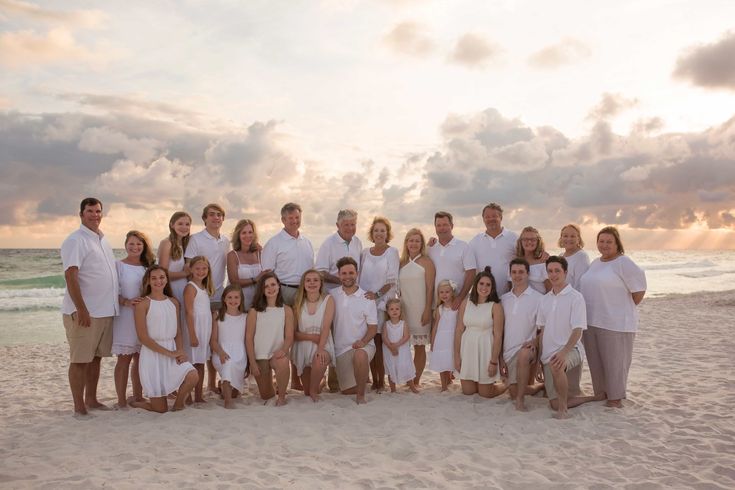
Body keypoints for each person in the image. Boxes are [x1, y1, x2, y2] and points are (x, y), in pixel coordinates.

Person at [61, 197, 120, 415]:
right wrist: (82, 309)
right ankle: (79, 406)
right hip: (85, 312)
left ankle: (92, 399)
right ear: (81, 214)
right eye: (90, 211)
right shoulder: (76, 240)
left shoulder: (102, 240)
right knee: (79, 360)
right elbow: (70, 275)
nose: (95, 215)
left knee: (95, 358)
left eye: (98, 211)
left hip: (105, 311)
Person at [579, 226, 647, 408]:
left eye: (609, 241)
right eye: (601, 241)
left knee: (615, 363)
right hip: (592, 321)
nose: (605, 245)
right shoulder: (595, 262)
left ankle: (615, 399)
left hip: (616, 323)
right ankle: (601, 393)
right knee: (596, 362)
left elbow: (639, 289)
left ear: (617, 244)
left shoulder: (623, 263)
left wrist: (620, 308)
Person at [131, 265, 198, 413]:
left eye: (161, 277)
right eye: (153, 278)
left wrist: (179, 350)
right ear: (148, 281)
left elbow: (178, 331)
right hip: (152, 355)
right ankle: (139, 403)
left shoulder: (173, 302)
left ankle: (179, 404)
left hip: (172, 350)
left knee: (193, 375)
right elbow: (143, 338)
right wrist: (170, 353)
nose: (158, 281)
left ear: (166, 280)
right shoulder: (143, 304)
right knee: (160, 409)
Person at [538, 256, 597, 418]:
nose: (553, 274)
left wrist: (564, 353)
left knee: (557, 364)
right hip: (548, 354)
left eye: (557, 271)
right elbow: (542, 332)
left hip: (572, 349)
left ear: (565, 272)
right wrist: (539, 359)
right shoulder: (544, 300)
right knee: (552, 403)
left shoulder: (575, 297)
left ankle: (563, 410)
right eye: (550, 271)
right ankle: (589, 398)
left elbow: (578, 330)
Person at [184, 203, 229, 394]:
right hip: (200, 294)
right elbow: (189, 267)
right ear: (204, 218)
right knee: (197, 342)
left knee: (213, 339)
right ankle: (194, 386)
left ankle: (211, 384)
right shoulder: (195, 239)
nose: (215, 218)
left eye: (219, 215)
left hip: (218, 294)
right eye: (211, 215)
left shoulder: (226, 240)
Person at [112, 230, 155, 409]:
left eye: (139, 244)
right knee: (124, 359)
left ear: (144, 246)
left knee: (140, 358)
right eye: (131, 243)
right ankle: (121, 400)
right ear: (125, 245)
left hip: (146, 317)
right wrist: (126, 301)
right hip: (126, 317)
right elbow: (112, 292)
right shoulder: (118, 266)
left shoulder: (149, 267)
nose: (135, 247)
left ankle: (137, 396)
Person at [358, 216, 399, 392]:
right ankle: (370, 378)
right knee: (368, 341)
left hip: (382, 303)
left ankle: (380, 381)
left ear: (387, 233)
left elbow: (392, 280)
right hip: (365, 303)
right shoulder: (365, 253)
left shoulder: (392, 252)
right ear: (372, 234)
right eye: (376, 230)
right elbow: (359, 277)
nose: (379, 233)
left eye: (383, 230)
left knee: (379, 342)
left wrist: (377, 295)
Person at [330, 257, 378, 404]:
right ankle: (360, 378)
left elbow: (373, 328)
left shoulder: (367, 298)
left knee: (360, 355)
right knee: (345, 390)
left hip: (363, 345)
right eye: (344, 273)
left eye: (351, 272)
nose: (348, 276)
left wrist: (362, 341)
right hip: (340, 350)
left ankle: (361, 396)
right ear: (338, 275)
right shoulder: (332, 294)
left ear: (357, 273)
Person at [499, 258, 544, 411]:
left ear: (527, 274)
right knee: (512, 391)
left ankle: (520, 401)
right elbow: (500, 331)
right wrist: (499, 358)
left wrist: (535, 342)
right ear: (510, 274)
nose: (517, 276)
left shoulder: (538, 299)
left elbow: (543, 328)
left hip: (527, 348)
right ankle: (539, 388)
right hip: (508, 351)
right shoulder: (504, 299)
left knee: (524, 355)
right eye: (514, 272)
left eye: (521, 272)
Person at [454, 267, 506, 398]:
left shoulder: (495, 306)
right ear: (476, 284)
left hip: (486, 349)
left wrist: (494, 361)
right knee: (468, 392)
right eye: (481, 283)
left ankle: (507, 385)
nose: (484, 287)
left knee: (485, 393)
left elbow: (498, 335)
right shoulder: (466, 303)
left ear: (492, 287)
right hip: (468, 348)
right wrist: (456, 356)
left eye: (488, 285)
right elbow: (459, 329)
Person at [245, 272, 295, 406]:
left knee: (283, 362)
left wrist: (283, 350)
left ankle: (282, 397)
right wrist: (252, 363)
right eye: (266, 286)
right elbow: (249, 338)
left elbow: (289, 336)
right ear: (262, 290)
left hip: (277, 354)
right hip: (260, 356)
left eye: (273, 284)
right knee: (266, 395)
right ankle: (273, 383)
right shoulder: (254, 311)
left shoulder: (286, 310)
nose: (270, 288)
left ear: (279, 286)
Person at [291, 269, 336, 402]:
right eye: (308, 280)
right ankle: (320, 383)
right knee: (306, 391)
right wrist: (312, 338)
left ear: (321, 283)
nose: (312, 283)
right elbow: (294, 334)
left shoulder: (328, 300)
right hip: (302, 346)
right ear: (303, 284)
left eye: (315, 280)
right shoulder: (298, 302)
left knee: (319, 358)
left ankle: (314, 390)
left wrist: (320, 348)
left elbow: (326, 328)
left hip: (323, 343)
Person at [398, 228, 435, 386]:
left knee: (419, 347)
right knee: (405, 347)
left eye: (417, 241)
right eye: (410, 240)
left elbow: (430, 288)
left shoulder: (427, 262)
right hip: (404, 310)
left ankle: (416, 379)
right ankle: (407, 377)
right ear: (406, 243)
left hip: (421, 309)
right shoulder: (401, 263)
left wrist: (427, 309)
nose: (413, 243)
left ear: (422, 244)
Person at [261, 202, 314, 306]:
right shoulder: (273, 243)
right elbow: (267, 273)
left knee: (302, 322)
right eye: (290, 218)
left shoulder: (307, 243)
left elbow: (311, 269)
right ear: (283, 220)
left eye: (297, 217)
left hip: (305, 291)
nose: (294, 221)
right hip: (283, 292)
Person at [427, 211, 476, 309]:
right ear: (435, 228)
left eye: (445, 225)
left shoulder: (463, 247)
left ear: (452, 226)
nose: (442, 228)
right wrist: (427, 246)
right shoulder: (430, 249)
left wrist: (460, 298)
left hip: (457, 303)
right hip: (436, 304)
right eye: (439, 225)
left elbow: (471, 273)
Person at [210, 285, 248, 409]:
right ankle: (227, 401)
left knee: (235, 393)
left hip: (240, 353)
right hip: (221, 352)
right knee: (228, 364)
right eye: (229, 297)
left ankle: (226, 388)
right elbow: (213, 341)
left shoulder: (245, 317)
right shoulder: (218, 316)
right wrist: (220, 352)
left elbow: (247, 340)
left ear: (241, 299)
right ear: (224, 300)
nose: (233, 300)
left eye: (236, 297)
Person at [468, 203, 518, 297]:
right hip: (482, 297)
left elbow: (526, 257)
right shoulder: (475, 241)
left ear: (501, 217)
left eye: (494, 216)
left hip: (508, 296)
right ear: (483, 219)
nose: (491, 219)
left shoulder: (513, 238)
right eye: (487, 217)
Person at [183, 256, 214, 403]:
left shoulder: (204, 287)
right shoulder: (190, 287)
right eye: (197, 268)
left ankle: (198, 396)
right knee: (190, 364)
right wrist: (192, 335)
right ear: (191, 270)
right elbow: (189, 312)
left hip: (204, 330)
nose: (201, 271)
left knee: (201, 362)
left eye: (204, 268)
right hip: (194, 329)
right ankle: (187, 396)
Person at [316, 209, 363, 291]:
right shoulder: (328, 244)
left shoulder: (357, 242)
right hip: (332, 294)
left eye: (353, 224)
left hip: (353, 293)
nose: (350, 228)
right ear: (338, 225)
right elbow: (320, 272)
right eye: (346, 225)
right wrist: (343, 281)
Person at [226, 218, 265, 311]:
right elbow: (233, 281)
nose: (247, 235)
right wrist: (255, 280)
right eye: (244, 233)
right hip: (238, 304)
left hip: (257, 303)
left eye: (250, 232)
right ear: (238, 235)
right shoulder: (232, 255)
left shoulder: (260, 253)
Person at [382, 298, 418, 393]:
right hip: (389, 350)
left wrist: (396, 345)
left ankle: (412, 387)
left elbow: (406, 336)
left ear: (401, 310)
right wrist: (391, 346)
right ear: (388, 311)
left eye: (397, 309)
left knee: (405, 367)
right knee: (391, 368)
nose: (394, 311)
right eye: (392, 309)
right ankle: (393, 389)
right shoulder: (386, 324)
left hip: (402, 350)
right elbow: (384, 337)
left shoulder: (403, 324)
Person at [157, 211, 192, 305]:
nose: (184, 227)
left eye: (187, 224)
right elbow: (162, 274)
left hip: (184, 288)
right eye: (180, 223)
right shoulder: (167, 243)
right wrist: (185, 273)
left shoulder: (186, 244)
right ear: (172, 225)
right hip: (171, 289)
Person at [429, 280, 458, 392]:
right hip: (441, 339)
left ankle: (449, 379)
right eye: (441, 292)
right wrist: (432, 341)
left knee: (449, 359)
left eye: (447, 292)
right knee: (442, 361)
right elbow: (435, 327)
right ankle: (444, 386)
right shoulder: (439, 309)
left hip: (452, 338)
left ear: (452, 292)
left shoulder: (457, 307)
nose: (444, 294)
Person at [515, 226, 551, 294]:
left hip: (540, 302)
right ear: (520, 241)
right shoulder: (515, 262)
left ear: (538, 241)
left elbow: (550, 289)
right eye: (525, 239)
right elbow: (511, 287)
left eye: (533, 239)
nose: (529, 242)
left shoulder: (544, 262)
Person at [559, 223, 590, 291]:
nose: (569, 239)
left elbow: (580, 285)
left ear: (578, 238)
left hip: (573, 299)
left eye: (572, 236)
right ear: (561, 238)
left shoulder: (581, 256)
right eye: (565, 236)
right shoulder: (560, 256)